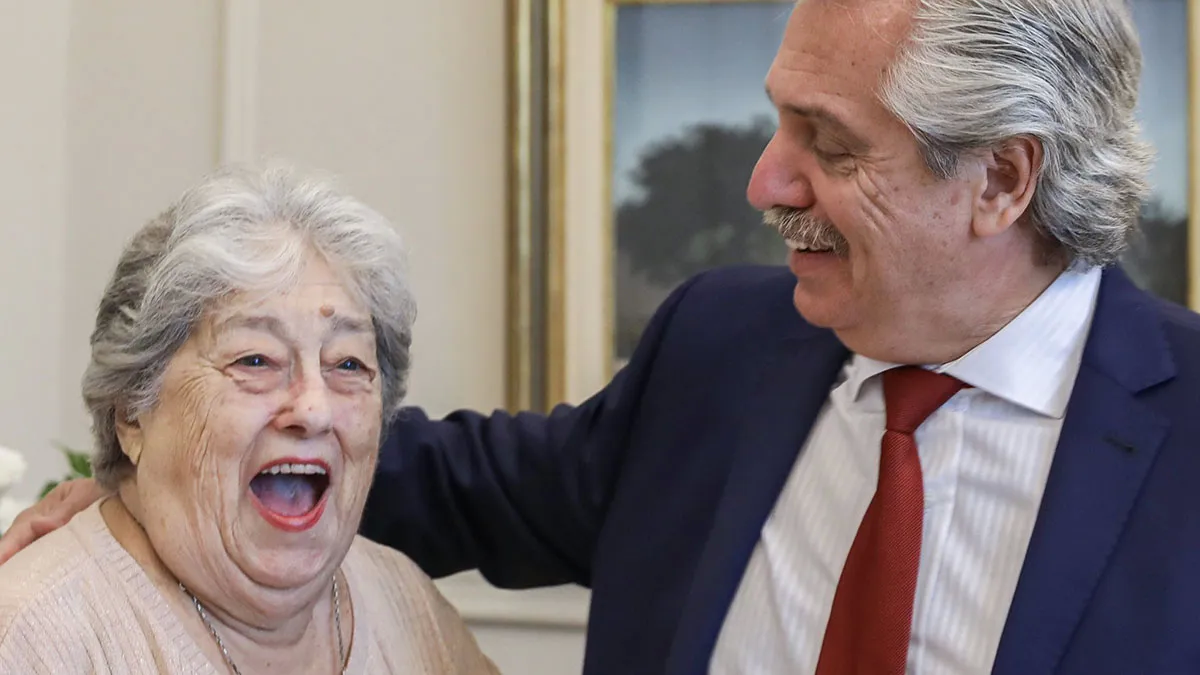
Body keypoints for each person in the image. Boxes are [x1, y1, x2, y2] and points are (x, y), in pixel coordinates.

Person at [7, 0, 1200, 673]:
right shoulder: (730, 348)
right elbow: (466, 482)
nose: (764, 179)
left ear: (999, 180)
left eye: (829, 146)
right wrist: (152, 467)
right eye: (774, 123)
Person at [0, 165, 498, 673]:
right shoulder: (34, 637)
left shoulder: (407, 607)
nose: (313, 409)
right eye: (255, 360)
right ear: (132, 414)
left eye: (348, 364)